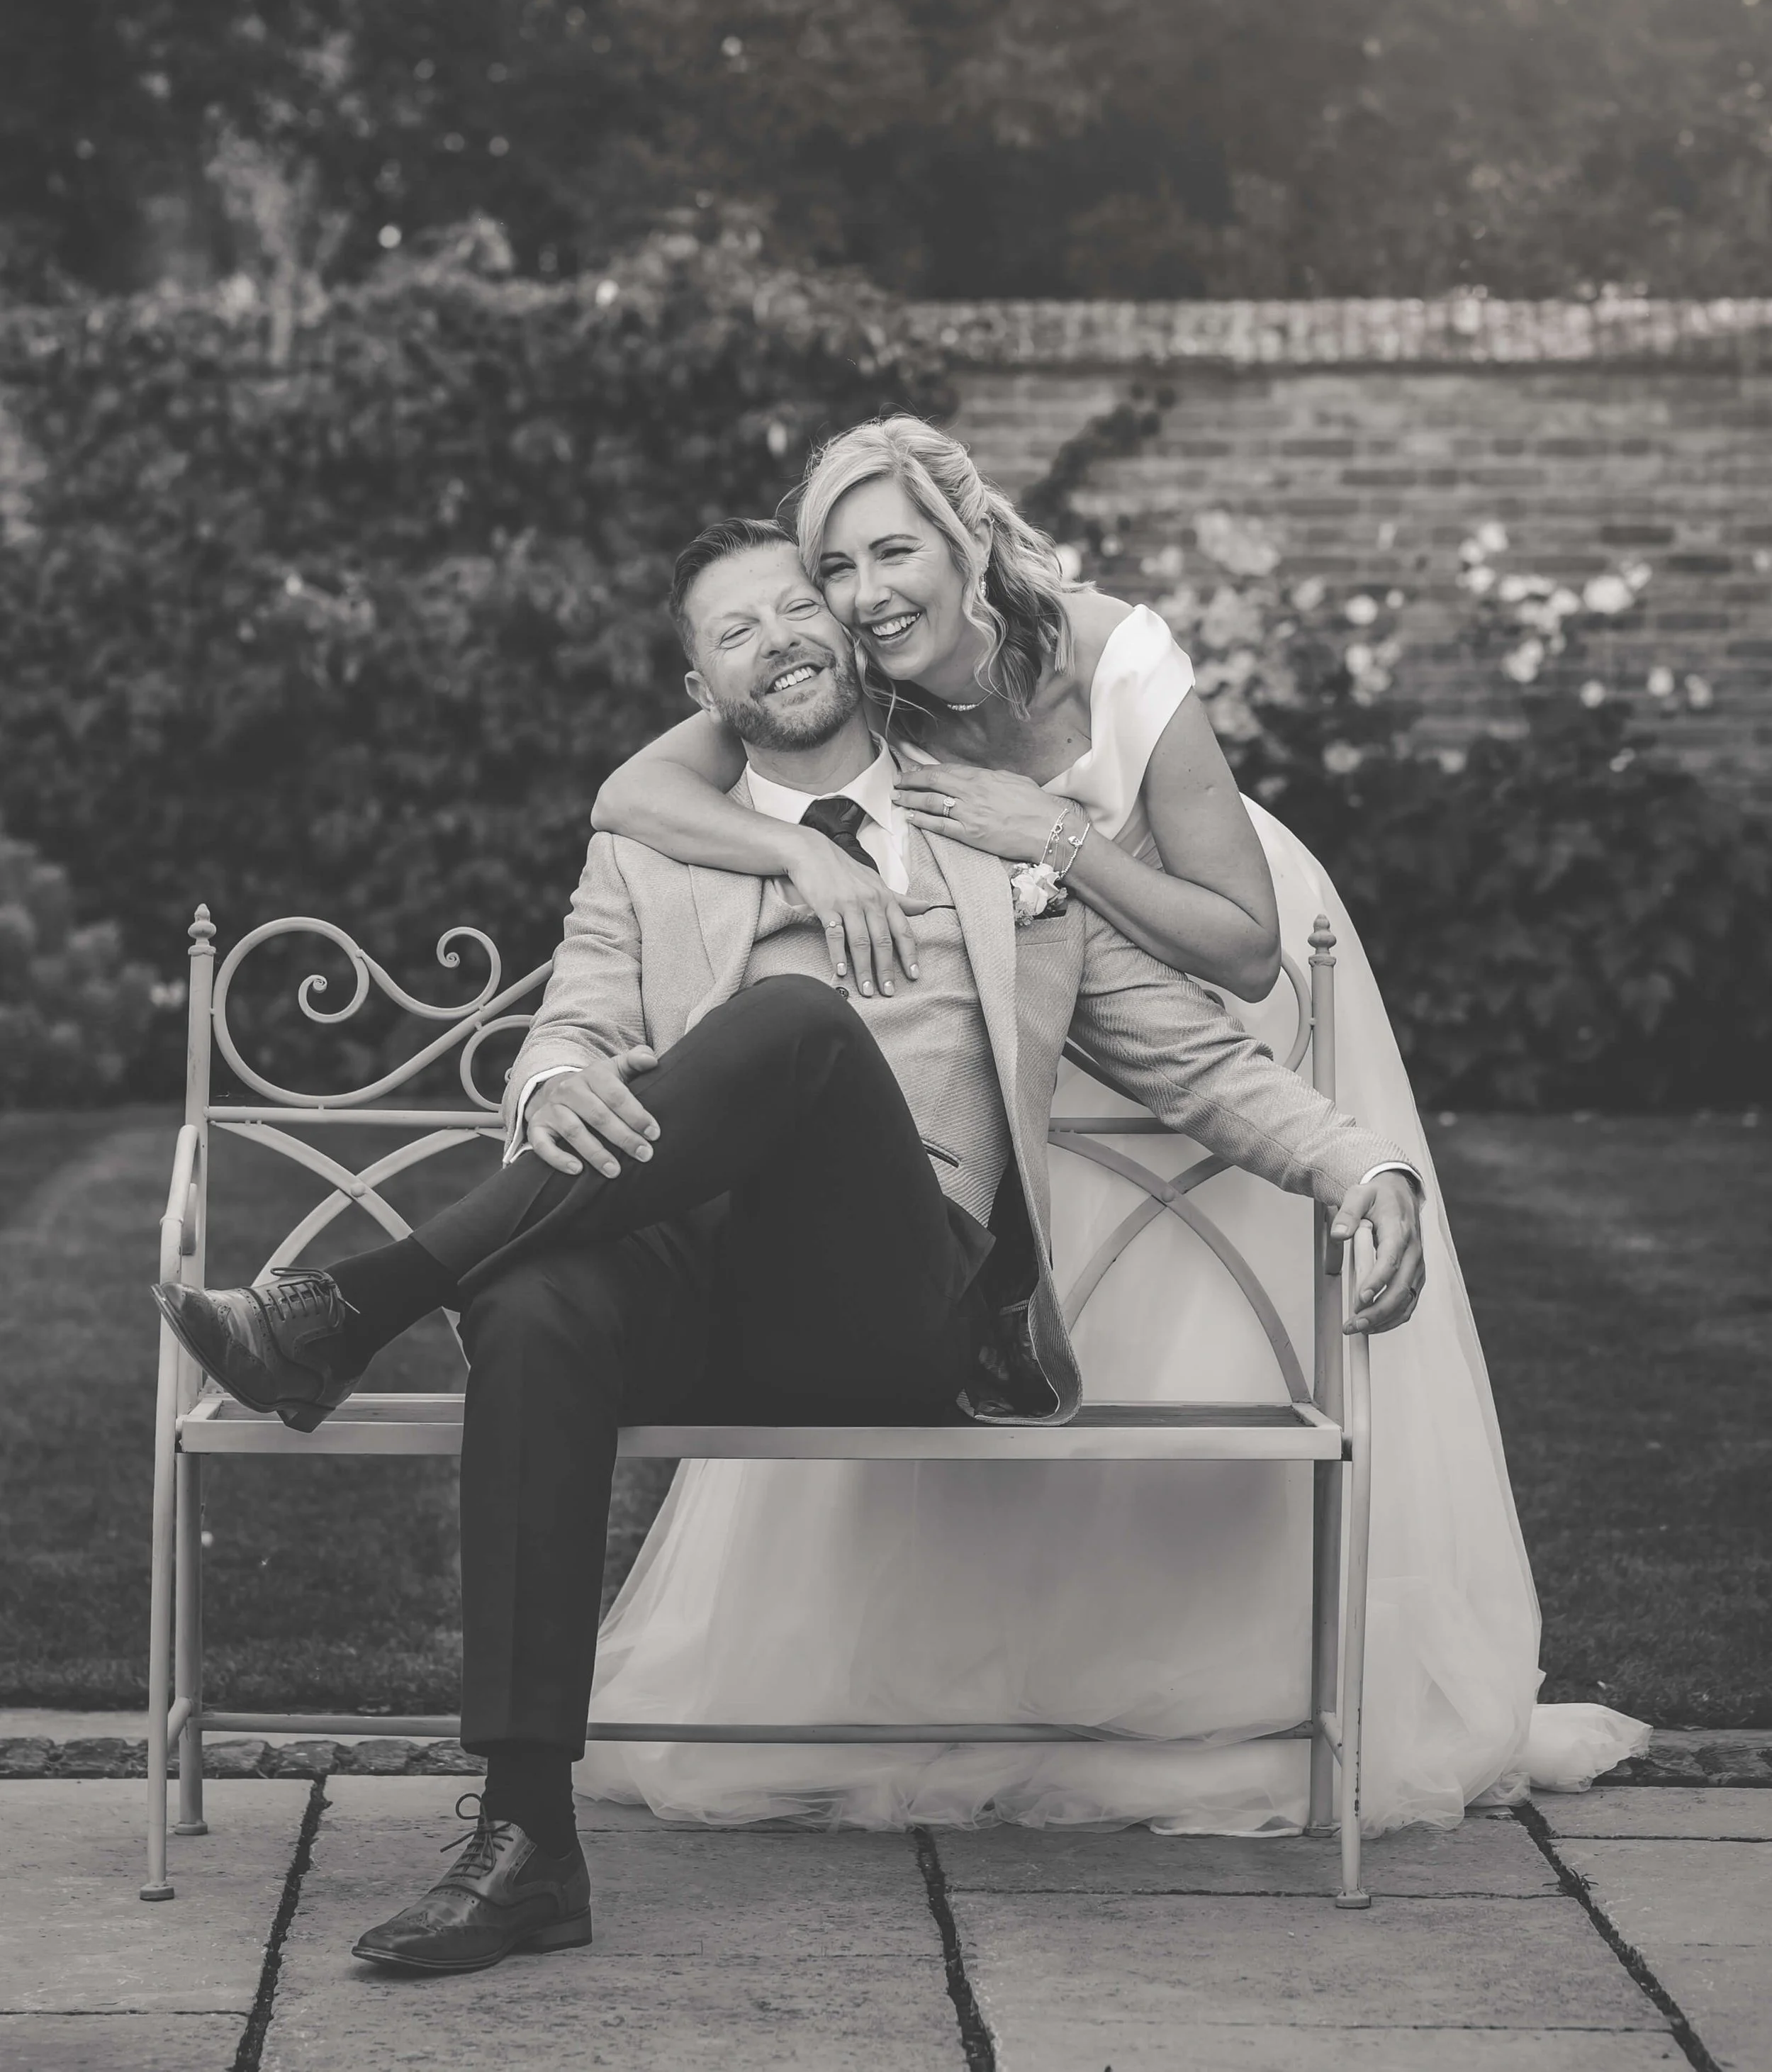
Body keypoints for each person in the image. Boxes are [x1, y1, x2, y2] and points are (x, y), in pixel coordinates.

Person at [154, 520, 1425, 1973]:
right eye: (734, 630)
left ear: (842, 622)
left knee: (795, 1026)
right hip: (685, 1275)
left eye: (794, 605)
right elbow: (572, 1029)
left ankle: (351, 1302)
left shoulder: (991, 839)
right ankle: (525, 1842)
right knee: (535, 1299)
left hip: (885, 1295)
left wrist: (1360, 1163)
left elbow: (1197, 1061)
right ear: (700, 684)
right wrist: (559, 1078)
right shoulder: (646, 853)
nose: (779, 638)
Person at [584, 418, 1649, 1835]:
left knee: (1195, 1321)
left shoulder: (1108, 652)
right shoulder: (848, 673)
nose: (857, 592)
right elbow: (632, 792)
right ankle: (950, 1685)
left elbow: (1241, 945)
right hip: (1013, 998)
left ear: (969, 546)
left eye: (892, 549)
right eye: (831, 564)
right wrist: (789, 847)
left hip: (1178, 943)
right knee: (1001, 1265)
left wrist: (1054, 840)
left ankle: (1212, 1685)